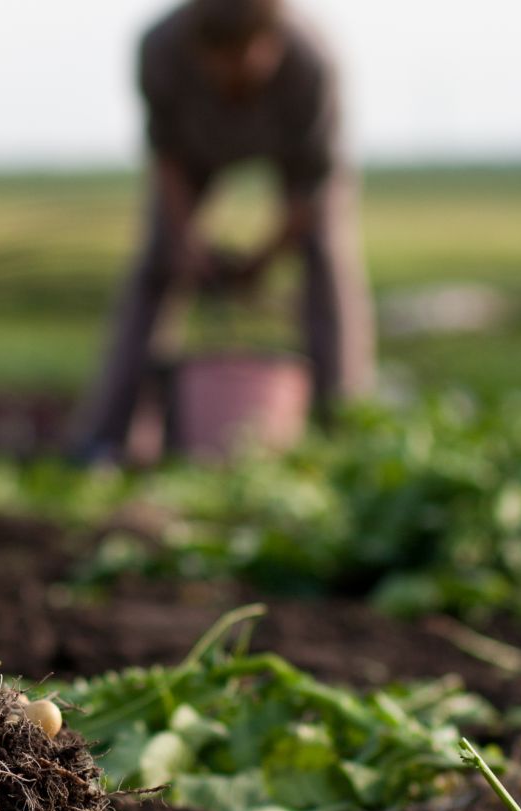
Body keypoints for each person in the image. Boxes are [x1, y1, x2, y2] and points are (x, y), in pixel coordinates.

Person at [72, 0, 375, 463]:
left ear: (272, 40)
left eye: (248, 57)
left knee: (327, 259)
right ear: (197, 50)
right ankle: (109, 435)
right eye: (222, 61)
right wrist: (186, 240)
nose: (235, 73)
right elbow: (166, 155)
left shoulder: (311, 59)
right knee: (157, 263)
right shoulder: (160, 48)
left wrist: (265, 258)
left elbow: (314, 186)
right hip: (195, 149)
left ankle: (345, 425)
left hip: (296, 159)